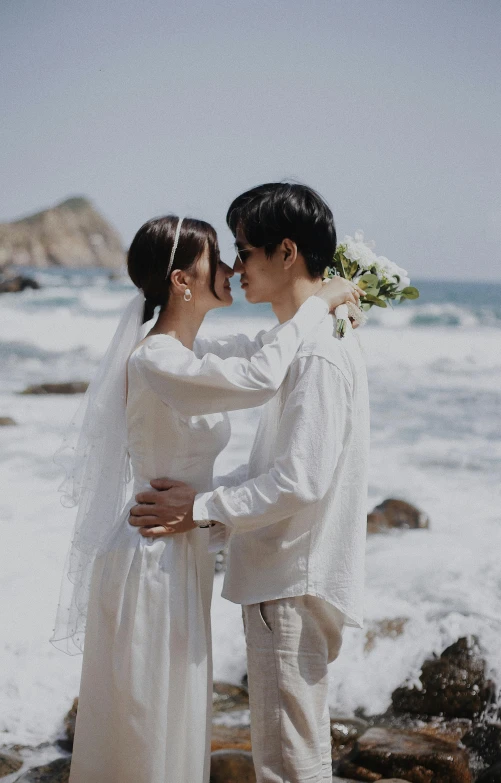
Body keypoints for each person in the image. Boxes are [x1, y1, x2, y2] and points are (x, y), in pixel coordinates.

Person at [51, 211, 362, 783]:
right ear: (181, 281)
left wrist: (328, 303)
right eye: (214, 257)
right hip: (150, 553)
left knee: (174, 715)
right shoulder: (157, 358)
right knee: (146, 721)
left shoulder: (190, 352)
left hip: (180, 547)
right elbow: (265, 374)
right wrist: (321, 302)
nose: (229, 267)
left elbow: (274, 344)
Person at [130, 183, 371, 783]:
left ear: (286, 253)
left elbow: (298, 481)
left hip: (290, 577)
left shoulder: (316, 354)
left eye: (244, 250)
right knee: (289, 755)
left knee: (291, 765)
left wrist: (203, 509)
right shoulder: (307, 343)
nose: (236, 267)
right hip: (286, 574)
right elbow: (279, 459)